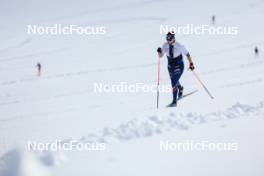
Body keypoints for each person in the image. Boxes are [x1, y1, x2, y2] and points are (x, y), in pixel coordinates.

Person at [157, 32, 195, 107]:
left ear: (173, 38)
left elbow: (187, 54)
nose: (168, 41)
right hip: (170, 66)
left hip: (179, 65)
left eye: (170, 39)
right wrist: (159, 52)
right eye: (167, 39)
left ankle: (174, 102)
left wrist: (191, 63)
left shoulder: (179, 46)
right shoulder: (165, 45)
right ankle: (180, 88)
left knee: (173, 81)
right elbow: (161, 56)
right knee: (174, 79)